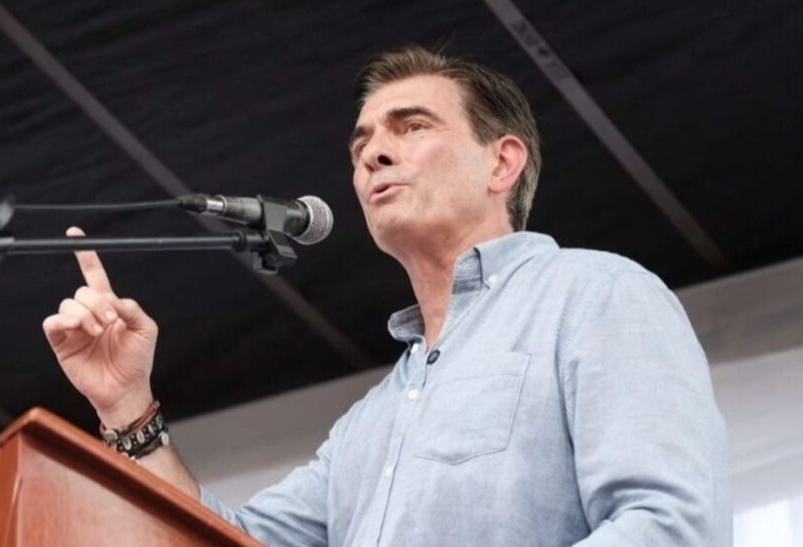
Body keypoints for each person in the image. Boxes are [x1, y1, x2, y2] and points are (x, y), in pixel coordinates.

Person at [43, 46, 730, 546]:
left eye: (412, 126)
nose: (372, 154)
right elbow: (217, 544)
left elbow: (670, 526)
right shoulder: (366, 426)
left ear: (502, 161)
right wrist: (127, 409)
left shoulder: (597, 295)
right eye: (361, 144)